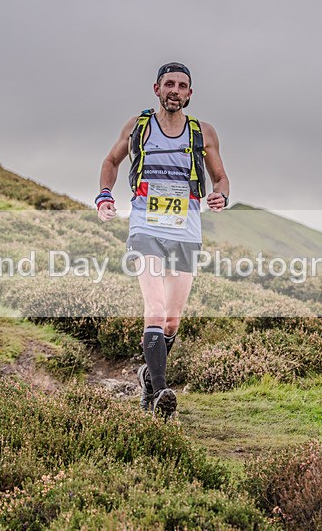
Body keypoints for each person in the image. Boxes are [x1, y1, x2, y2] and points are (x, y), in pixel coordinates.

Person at [96, 62, 230, 418]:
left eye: (181, 85)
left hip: (185, 227)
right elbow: (111, 160)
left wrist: (220, 196)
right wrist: (105, 196)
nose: (174, 90)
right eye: (168, 84)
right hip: (146, 226)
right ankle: (161, 395)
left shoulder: (203, 133)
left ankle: (147, 379)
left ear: (189, 93)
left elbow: (220, 178)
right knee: (153, 310)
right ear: (157, 89)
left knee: (172, 321)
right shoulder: (139, 126)